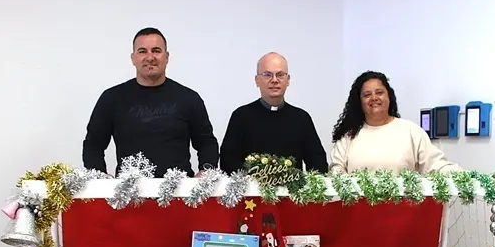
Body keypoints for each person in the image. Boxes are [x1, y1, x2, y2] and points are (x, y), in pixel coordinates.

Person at [82, 27, 219, 178]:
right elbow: (93, 144)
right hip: (129, 194)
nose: (150, 57)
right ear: (133, 58)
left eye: (156, 50)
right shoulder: (112, 98)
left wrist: (206, 170)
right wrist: (99, 177)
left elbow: (207, 143)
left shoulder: (189, 98)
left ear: (167, 57)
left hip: (179, 193)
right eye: (142, 51)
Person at [329, 71, 461, 173]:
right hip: (359, 208)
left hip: (403, 208)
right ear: (360, 102)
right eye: (367, 95)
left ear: (389, 96)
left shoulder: (410, 130)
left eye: (379, 92)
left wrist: (463, 177)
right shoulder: (348, 136)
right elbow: (337, 171)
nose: (374, 98)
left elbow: (435, 164)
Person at [219, 52, 328, 174]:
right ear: (257, 80)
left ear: (288, 80)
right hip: (251, 191)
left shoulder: (301, 118)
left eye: (280, 75)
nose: (274, 80)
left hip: (292, 191)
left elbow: (318, 163)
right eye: (267, 75)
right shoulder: (241, 117)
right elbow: (227, 162)